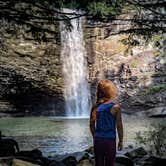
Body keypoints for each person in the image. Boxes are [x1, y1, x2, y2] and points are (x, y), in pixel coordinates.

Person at [90, 80, 123, 166]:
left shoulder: (95, 107)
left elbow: (91, 125)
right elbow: (119, 126)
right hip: (110, 140)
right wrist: (121, 141)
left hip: (98, 140)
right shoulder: (116, 107)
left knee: (98, 163)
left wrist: (95, 136)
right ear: (111, 91)